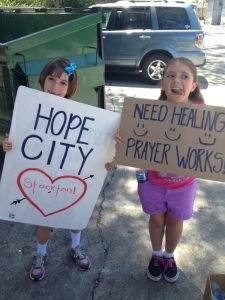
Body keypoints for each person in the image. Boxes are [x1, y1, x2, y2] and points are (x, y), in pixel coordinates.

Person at [108, 57, 205, 283]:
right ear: (162, 83)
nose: (176, 81)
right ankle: (156, 254)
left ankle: (169, 256)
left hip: (184, 186)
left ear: (194, 85)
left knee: (175, 222)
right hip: (152, 183)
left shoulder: (203, 114)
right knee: (156, 221)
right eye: (170, 75)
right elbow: (132, 140)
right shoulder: (149, 112)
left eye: (184, 76)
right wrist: (123, 138)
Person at [2, 58, 94, 281]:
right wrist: (7, 144)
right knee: (44, 219)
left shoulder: (78, 114)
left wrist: (106, 155)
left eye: (63, 83)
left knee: (74, 217)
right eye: (51, 80)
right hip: (42, 178)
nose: (55, 87)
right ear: (43, 80)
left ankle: (76, 246)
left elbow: (91, 145)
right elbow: (16, 136)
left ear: (69, 88)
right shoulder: (29, 108)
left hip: (69, 176)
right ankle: (40, 254)